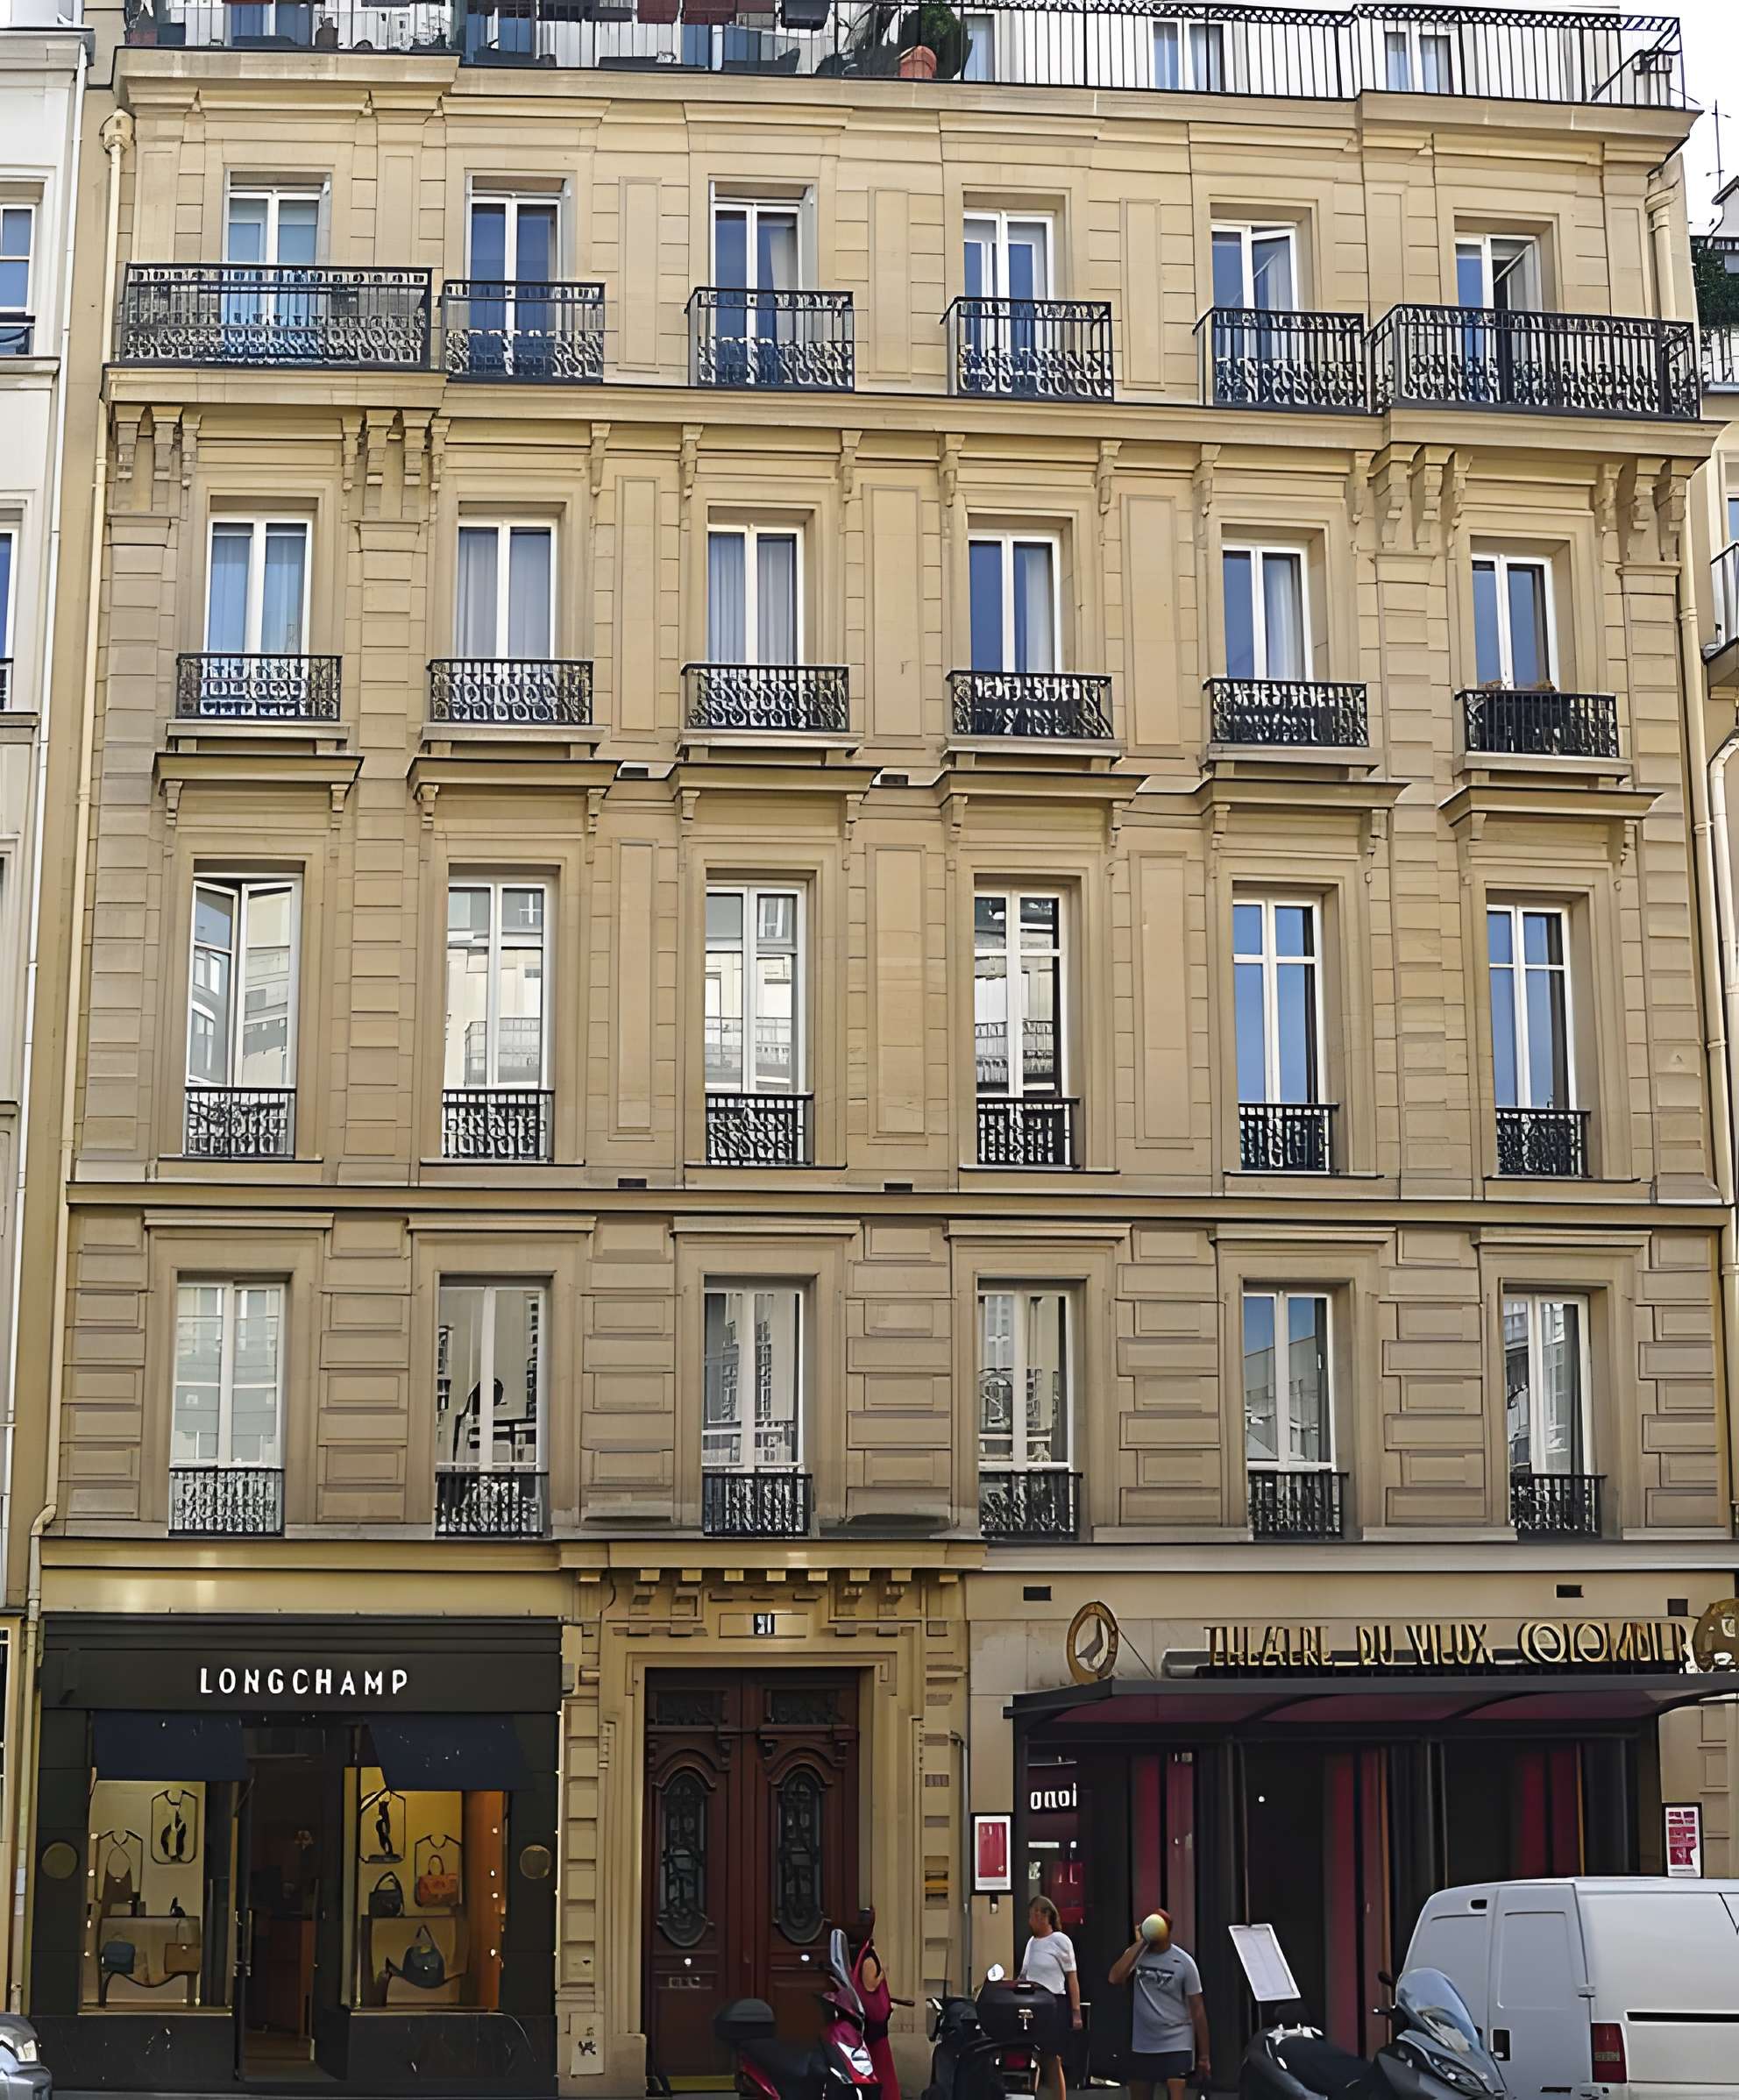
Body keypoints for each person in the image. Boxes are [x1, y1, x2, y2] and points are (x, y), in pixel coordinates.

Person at [1110, 1910, 1210, 2100]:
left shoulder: (1184, 1962)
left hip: (1176, 2042)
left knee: (1175, 2091)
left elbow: (1197, 2009)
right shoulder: (1136, 1956)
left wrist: (1204, 2055)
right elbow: (1115, 1977)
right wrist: (1141, 1942)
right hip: (1143, 2044)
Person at [1019, 1895, 1083, 2100]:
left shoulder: (1060, 1941)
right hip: (1033, 2003)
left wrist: (1076, 2012)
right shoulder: (1031, 1943)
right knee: (1036, 2056)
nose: (1030, 1921)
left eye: (1032, 1916)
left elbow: (1071, 1977)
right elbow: (1025, 1974)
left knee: (1051, 2058)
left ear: (1044, 1916)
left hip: (1053, 2004)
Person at [848, 1906, 909, 2100]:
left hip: (869, 2022)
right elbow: (870, 1985)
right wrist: (883, 1973)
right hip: (874, 2021)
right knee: (882, 2066)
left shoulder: (859, 1953)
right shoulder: (868, 1957)